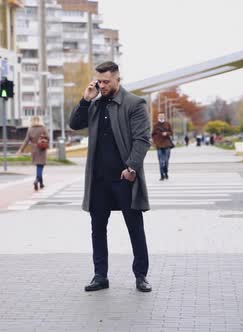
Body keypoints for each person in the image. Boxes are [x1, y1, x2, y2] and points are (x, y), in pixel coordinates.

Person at [69, 61, 152, 293]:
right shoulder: (94, 104)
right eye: (99, 81)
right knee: (97, 229)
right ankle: (100, 276)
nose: (102, 85)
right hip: (99, 180)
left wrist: (131, 167)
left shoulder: (134, 103)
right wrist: (86, 99)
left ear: (118, 79)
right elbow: (74, 124)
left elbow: (142, 139)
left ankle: (141, 276)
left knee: (134, 227)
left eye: (106, 81)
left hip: (124, 178)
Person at [17, 116, 48, 191]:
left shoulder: (30, 129)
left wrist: (20, 150)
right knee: (41, 166)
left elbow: (26, 141)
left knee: (38, 165)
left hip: (34, 149)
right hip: (42, 148)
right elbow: (48, 137)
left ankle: (41, 183)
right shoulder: (43, 128)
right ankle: (37, 180)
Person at [152, 113, 174, 181]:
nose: (161, 117)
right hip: (159, 145)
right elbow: (153, 134)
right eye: (160, 116)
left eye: (162, 116)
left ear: (164, 117)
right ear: (158, 117)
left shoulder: (167, 124)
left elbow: (171, 132)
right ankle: (162, 176)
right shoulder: (155, 125)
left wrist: (166, 133)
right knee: (161, 161)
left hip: (167, 144)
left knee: (166, 161)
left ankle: (166, 172)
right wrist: (156, 140)